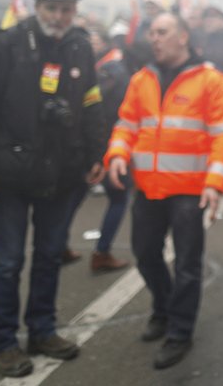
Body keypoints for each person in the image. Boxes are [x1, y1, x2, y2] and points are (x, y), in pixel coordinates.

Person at [0, 0, 107, 377]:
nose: (59, 16)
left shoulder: (79, 45)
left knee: (48, 257)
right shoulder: (6, 45)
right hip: (9, 174)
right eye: (51, 8)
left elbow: (92, 100)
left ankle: (42, 330)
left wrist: (98, 151)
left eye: (66, 9)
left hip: (62, 174)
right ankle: (3, 343)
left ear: (74, 12)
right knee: (8, 263)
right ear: (35, 8)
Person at [104, 12, 223, 370]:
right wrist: (117, 153)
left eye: (162, 32)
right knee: (145, 253)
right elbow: (126, 124)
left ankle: (179, 331)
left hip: (189, 190)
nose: (154, 39)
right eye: (152, 33)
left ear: (183, 37)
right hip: (148, 187)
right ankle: (163, 309)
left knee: (187, 265)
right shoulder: (141, 79)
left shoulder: (211, 80)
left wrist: (214, 182)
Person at [87, 26, 132, 272]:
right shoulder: (98, 64)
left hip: (108, 140)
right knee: (75, 196)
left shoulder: (111, 67)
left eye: (94, 40)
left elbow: (99, 104)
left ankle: (102, 252)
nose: (90, 44)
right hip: (96, 141)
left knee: (117, 196)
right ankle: (99, 252)